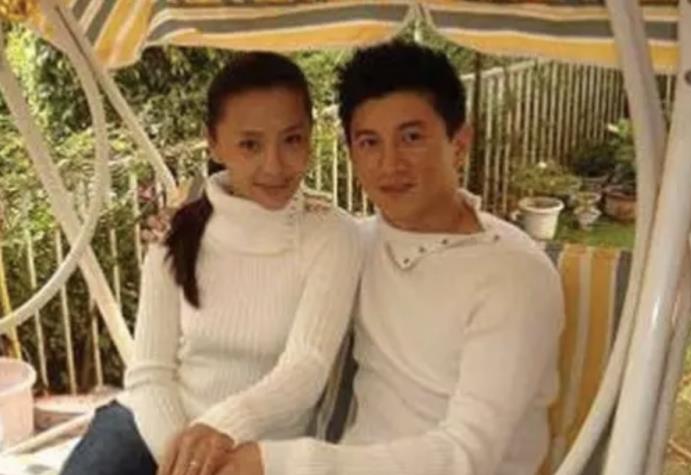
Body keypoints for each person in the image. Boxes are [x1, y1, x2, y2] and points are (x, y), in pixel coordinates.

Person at [219, 41, 565, 475]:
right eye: (369, 142)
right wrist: (189, 225)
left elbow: (468, 455)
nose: (390, 164)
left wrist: (284, 463)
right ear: (351, 153)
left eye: (412, 138)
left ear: (459, 143)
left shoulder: (514, 275)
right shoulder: (355, 243)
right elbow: (253, 262)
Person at [60, 52, 363, 475]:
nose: (274, 165)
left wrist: (218, 432)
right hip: (154, 426)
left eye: (292, 139)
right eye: (250, 144)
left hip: (260, 450)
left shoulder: (332, 235)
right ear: (214, 143)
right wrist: (184, 459)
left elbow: (306, 369)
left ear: (311, 138)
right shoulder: (176, 231)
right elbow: (150, 374)